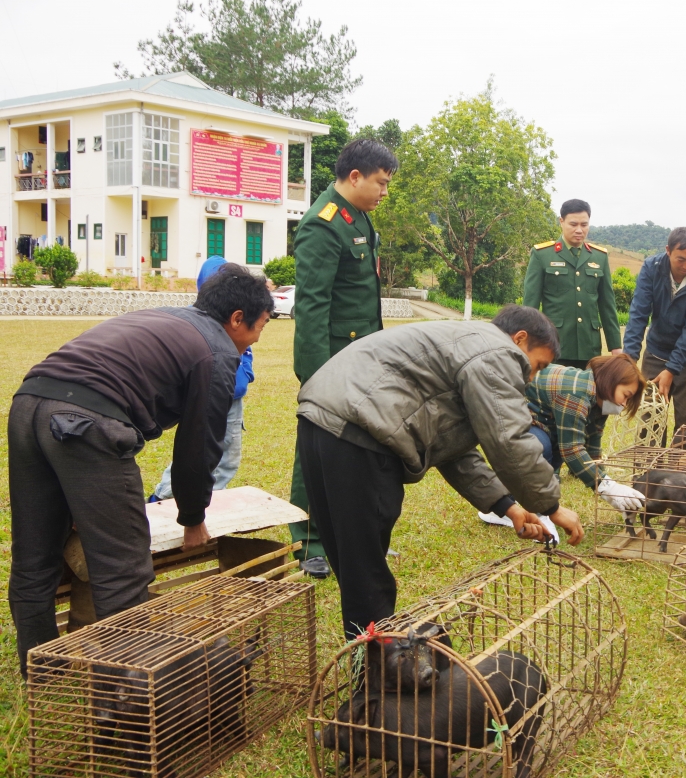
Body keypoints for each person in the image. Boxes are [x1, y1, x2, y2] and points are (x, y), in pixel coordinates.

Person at [8, 266, 273, 676]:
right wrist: (192, 518)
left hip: (29, 404)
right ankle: (128, 694)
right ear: (238, 318)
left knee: (35, 556)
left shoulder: (168, 316)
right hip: (87, 423)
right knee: (122, 569)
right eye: (260, 327)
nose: (256, 340)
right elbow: (199, 448)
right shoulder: (218, 350)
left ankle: (42, 673)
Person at [295, 305, 586, 641]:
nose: (531, 377)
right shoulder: (498, 351)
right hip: (361, 435)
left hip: (320, 422)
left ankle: (370, 663)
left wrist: (509, 506)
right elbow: (509, 440)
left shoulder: (464, 343)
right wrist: (551, 506)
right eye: (538, 365)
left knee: (355, 568)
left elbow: (453, 450)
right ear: (520, 340)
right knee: (367, 575)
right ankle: (377, 682)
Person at [289, 138, 398, 578]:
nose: (384, 192)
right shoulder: (323, 224)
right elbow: (312, 306)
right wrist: (316, 377)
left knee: (363, 447)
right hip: (332, 360)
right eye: (380, 183)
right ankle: (310, 541)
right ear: (355, 177)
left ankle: (359, 537)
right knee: (317, 448)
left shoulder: (360, 219)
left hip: (364, 358)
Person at [478, 353, 648, 535]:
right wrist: (607, 486)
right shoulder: (577, 392)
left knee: (555, 450)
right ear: (611, 381)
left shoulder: (599, 400)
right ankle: (503, 510)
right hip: (507, 415)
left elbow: (592, 448)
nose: (624, 403)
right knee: (540, 446)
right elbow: (572, 449)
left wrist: (610, 491)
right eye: (626, 395)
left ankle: (524, 503)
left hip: (540, 418)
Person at [149, 256, 255, 501]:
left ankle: (204, 502)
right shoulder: (198, 321)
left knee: (226, 458)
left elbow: (246, 355)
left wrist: (245, 375)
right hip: (208, 396)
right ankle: (166, 498)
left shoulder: (237, 320)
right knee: (202, 455)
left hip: (232, 398)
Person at [622, 227, 686, 449]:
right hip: (657, 350)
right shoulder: (652, 268)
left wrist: (671, 370)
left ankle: (682, 480)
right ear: (668, 251)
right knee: (650, 418)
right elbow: (638, 315)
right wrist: (628, 362)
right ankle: (646, 479)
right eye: (681, 259)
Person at [523, 199, 623, 369]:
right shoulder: (543, 255)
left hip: (589, 346)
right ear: (561, 221)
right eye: (573, 224)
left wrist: (615, 347)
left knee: (587, 393)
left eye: (584, 224)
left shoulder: (599, 257)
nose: (579, 230)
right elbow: (530, 305)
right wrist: (527, 344)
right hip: (554, 343)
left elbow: (607, 306)